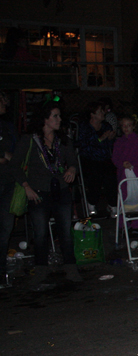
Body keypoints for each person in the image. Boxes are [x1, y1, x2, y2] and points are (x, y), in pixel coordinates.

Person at [13, 102, 83, 285]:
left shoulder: (63, 139)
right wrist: (26, 187)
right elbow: (15, 165)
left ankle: (70, 267)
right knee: (40, 233)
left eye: (60, 116)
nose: (59, 120)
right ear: (45, 119)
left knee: (65, 232)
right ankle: (41, 269)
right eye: (55, 116)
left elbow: (73, 160)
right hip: (38, 193)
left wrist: (73, 169)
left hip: (60, 191)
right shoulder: (29, 140)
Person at [111, 115, 138, 235]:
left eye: (129, 125)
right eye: (124, 126)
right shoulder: (119, 141)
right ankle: (123, 224)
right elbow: (115, 157)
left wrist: (134, 163)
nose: (126, 128)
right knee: (124, 198)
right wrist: (121, 164)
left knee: (137, 198)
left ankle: (137, 224)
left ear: (133, 126)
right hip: (123, 174)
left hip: (136, 172)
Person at [77, 101, 117, 216]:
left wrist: (110, 139)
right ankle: (91, 203)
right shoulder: (85, 127)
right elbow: (84, 146)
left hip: (104, 157)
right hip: (89, 158)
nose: (103, 113)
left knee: (111, 176)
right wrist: (100, 139)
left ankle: (112, 204)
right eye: (100, 111)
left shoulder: (106, 126)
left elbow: (109, 145)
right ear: (92, 114)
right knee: (95, 176)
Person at [0, 91, 17, 287]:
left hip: (8, 183)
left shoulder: (8, 127)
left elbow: (15, 156)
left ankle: (2, 272)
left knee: (5, 228)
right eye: (2, 100)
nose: (6, 103)